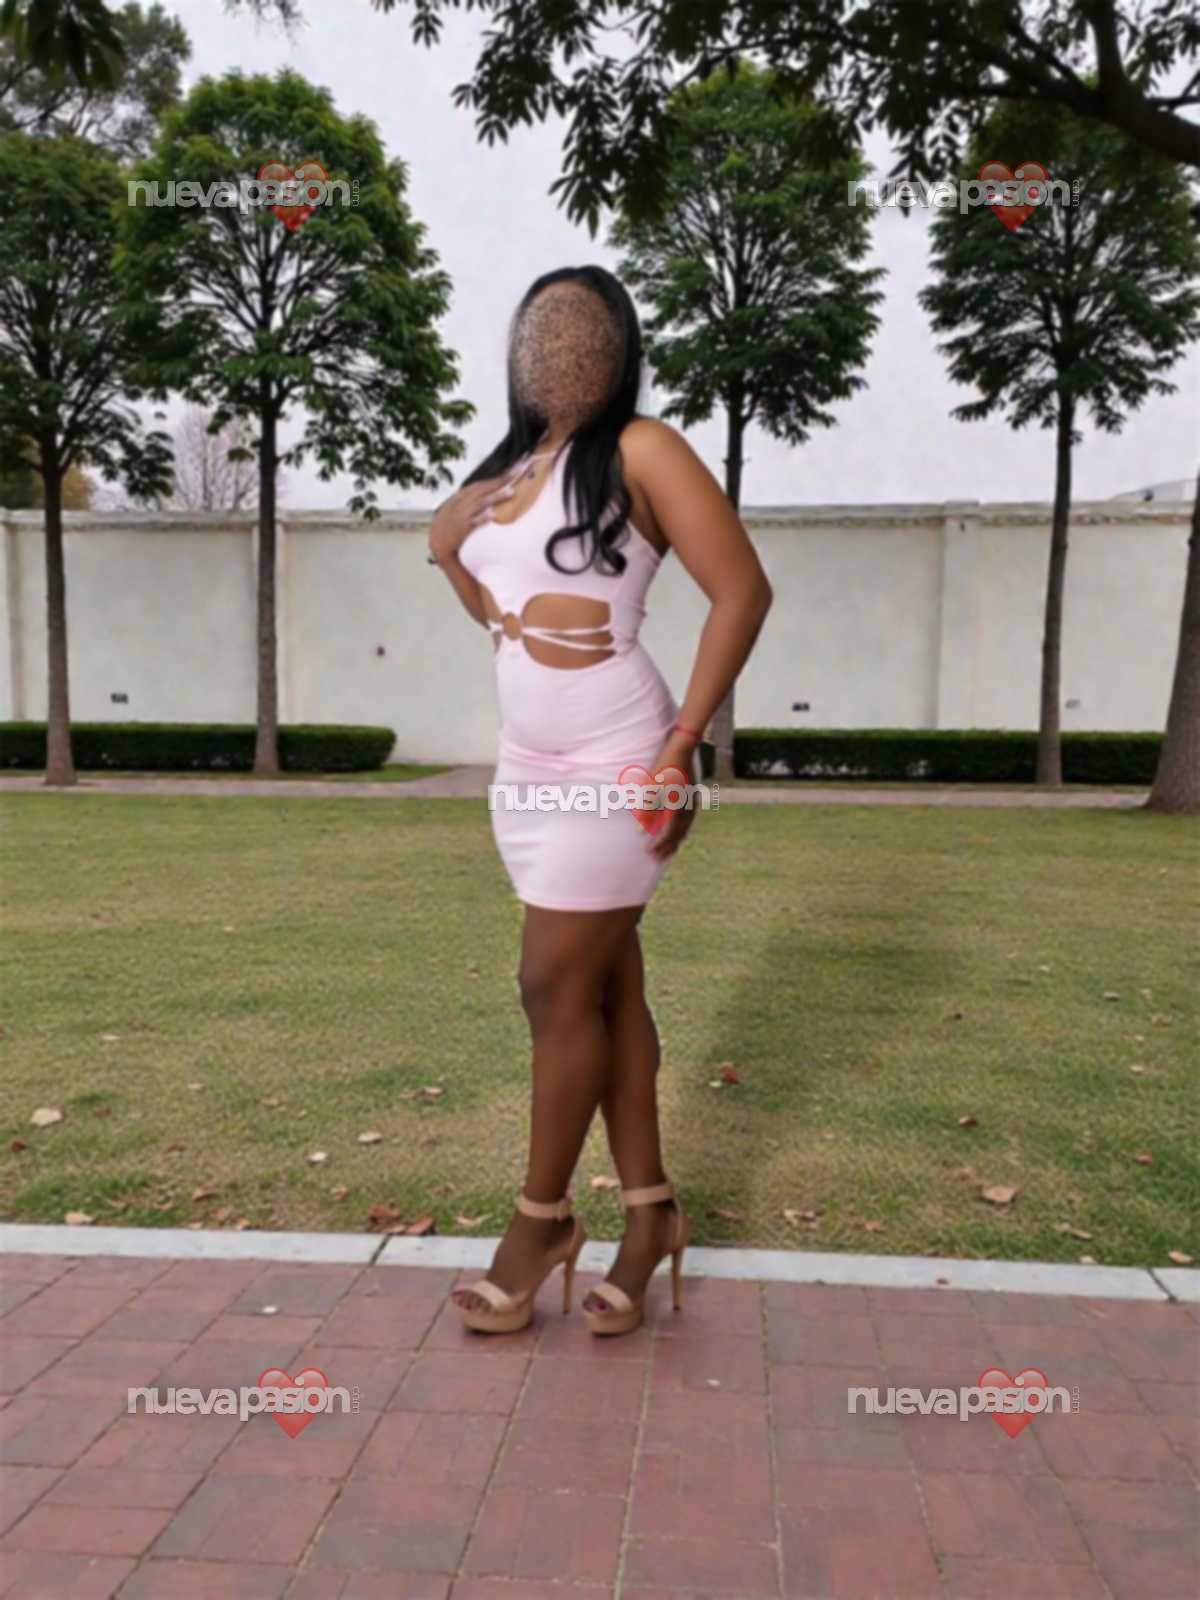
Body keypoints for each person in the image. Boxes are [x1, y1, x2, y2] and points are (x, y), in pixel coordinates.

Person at [426, 264, 772, 1336]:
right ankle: (652, 1215)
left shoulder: (642, 449)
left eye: (580, 330)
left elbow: (743, 591)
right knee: (608, 990)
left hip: (624, 759)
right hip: (526, 767)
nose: (560, 348)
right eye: (544, 329)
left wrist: (681, 748)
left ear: (616, 347)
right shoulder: (511, 469)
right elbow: (499, 605)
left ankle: (540, 1224)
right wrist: (447, 549)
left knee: (551, 982)